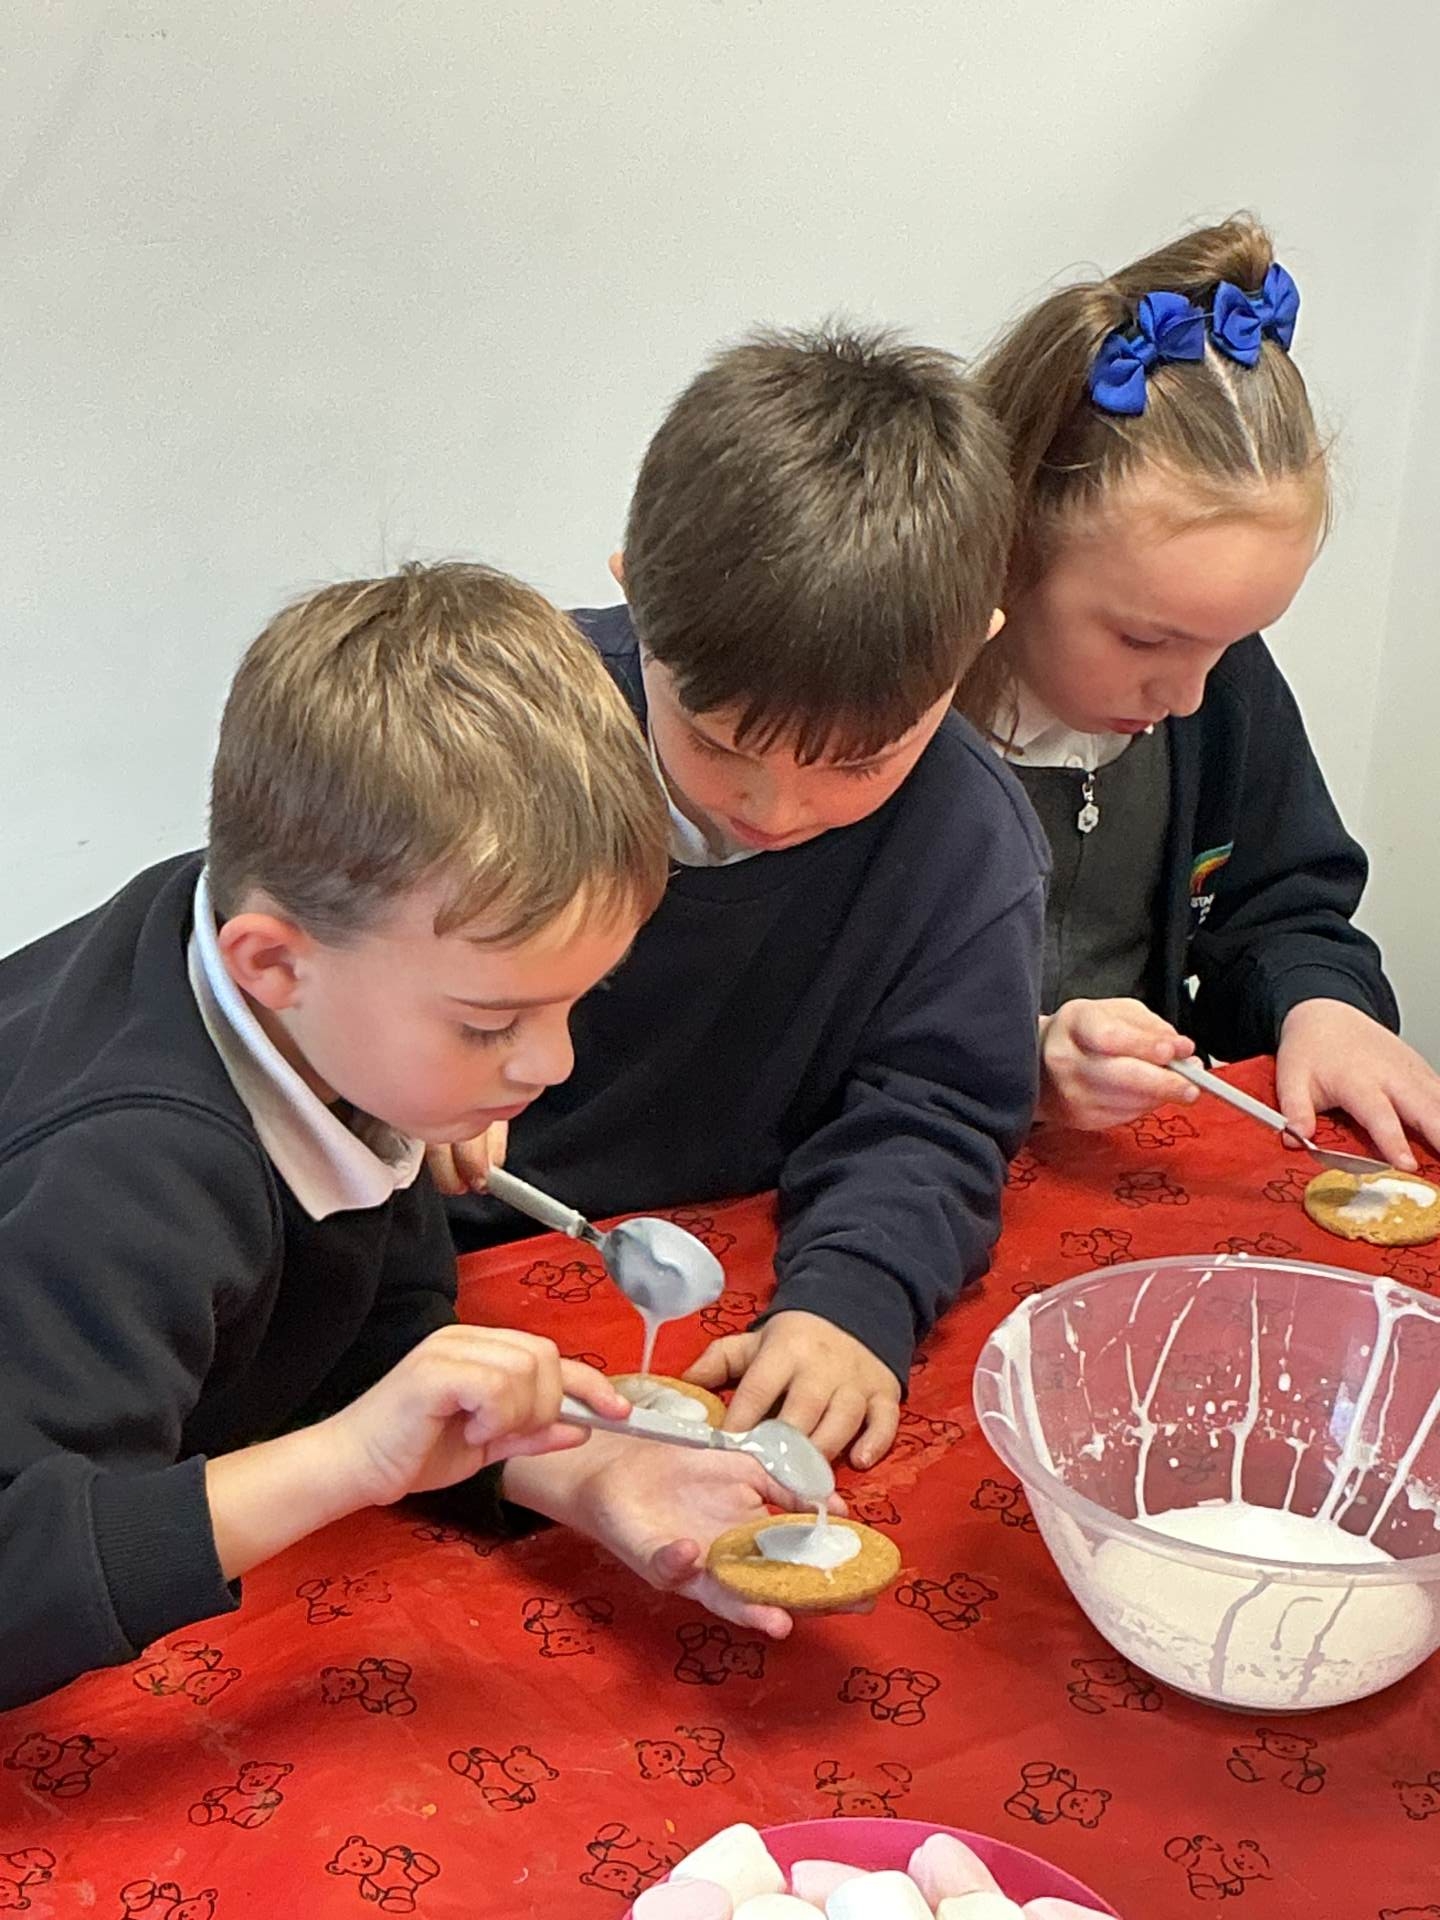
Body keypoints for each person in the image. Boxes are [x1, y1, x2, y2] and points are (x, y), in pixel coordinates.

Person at [0, 562, 822, 1713]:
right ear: (272, 963)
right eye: (490, 1023)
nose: (552, 1065)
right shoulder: (130, 1180)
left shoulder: (319, 1000)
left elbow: (344, 1328)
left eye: (574, 1003)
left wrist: (582, 1471)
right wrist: (350, 1458)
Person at [438, 327, 1050, 1469]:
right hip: (412, 1276)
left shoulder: (967, 841)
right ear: (636, 597)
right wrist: (388, 1079)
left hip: (725, 1277)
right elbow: (292, 974)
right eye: (720, 744)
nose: (779, 807)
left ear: (972, 652)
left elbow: (934, 1111)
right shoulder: (484, 739)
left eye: (860, 761)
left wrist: (854, 1295)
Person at [954, 216, 1440, 1167]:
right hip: (903, 1171)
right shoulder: (895, 724)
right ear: (1009, 545)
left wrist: (1322, 1003)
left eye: (1230, 642)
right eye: (1146, 639)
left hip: (1119, 1178)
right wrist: (1020, 1058)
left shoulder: (1221, 690)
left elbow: (1283, 904)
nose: (1186, 695)